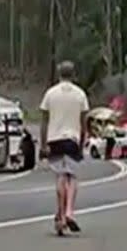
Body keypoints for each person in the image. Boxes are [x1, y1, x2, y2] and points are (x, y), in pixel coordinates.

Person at [39, 60, 89, 236]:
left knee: (60, 176)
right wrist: (82, 144)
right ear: (74, 74)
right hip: (72, 139)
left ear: (59, 74)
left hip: (55, 140)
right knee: (72, 177)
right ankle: (69, 212)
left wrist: (43, 144)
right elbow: (84, 123)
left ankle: (60, 214)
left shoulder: (50, 94)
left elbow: (44, 121)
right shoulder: (80, 94)